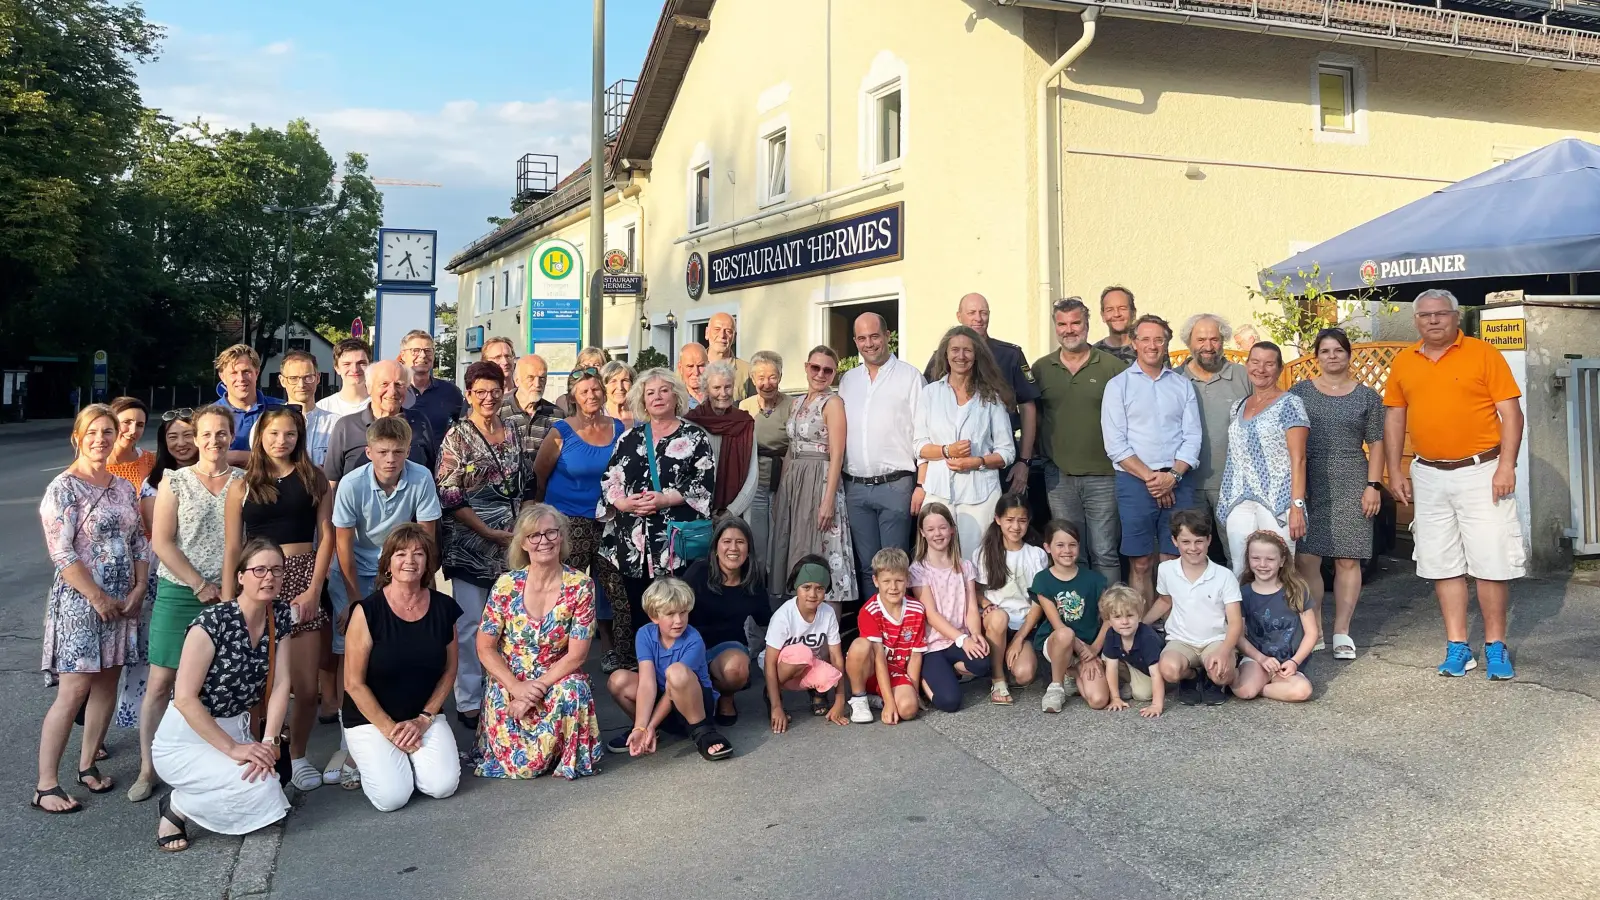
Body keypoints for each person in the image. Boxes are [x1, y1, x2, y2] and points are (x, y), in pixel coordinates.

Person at [1384, 288, 1525, 680]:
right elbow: (1395, 416)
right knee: (1442, 562)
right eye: (1425, 315)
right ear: (1416, 320)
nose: (1433, 320)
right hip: (1429, 473)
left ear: (1455, 316)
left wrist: (1507, 466)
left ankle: (1495, 645)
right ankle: (1458, 646)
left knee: (1491, 561)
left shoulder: (1483, 353)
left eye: (1441, 314)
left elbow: (1512, 414)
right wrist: (1395, 470)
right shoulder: (1404, 361)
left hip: (1483, 471)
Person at [33, 405, 150, 814]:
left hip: (123, 601)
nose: (100, 439)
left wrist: (139, 588)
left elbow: (139, 540)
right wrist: (98, 597)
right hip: (82, 603)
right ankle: (46, 785)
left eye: (107, 432)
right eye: (93, 432)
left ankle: (87, 765)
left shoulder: (122, 487)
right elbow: (61, 552)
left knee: (106, 684)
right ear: (78, 437)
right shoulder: (63, 488)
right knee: (75, 690)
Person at [151, 537, 291, 851]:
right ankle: (177, 806)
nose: (268, 577)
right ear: (240, 576)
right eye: (259, 570)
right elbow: (184, 698)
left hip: (236, 727)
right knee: (263, 789)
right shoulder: (212, 623)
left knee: (268, 780)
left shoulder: (278, 614)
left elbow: (282, 683)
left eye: (276, 570)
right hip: (186, 738)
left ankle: (190, 801)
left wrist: (269, 740)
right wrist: (233, 749)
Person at [222, 407, 334, 792]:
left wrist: (314, 589)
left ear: (299, 437)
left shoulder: (314, 478)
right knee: (259, 685)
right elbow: (232, 547)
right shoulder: (242, 485)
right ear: (260, 437)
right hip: (256, 582)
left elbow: (326, 536)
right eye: (273, 433)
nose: (280, 441)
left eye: (289, 434)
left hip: (301, 577)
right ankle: (262, 755)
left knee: (304, 686)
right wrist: (229, 601)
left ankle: (298, 755)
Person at [135, 405, 242, 803]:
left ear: (231, 436)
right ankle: (148, 766)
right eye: (206, 434)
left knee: (217, 681)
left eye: (221, 433)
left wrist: (229, 592)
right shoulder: (175, 481)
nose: (214, 441)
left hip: (229, 593)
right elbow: (162, 542)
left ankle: (209, 757)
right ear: (196, 439)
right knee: (161, 681)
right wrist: (198, 584)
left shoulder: (244, 482)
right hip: (181, 591)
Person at [328, 416, 442, 787]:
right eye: (382, 452)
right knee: (351, 656)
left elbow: (426, 540)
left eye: (397, 452)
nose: (390, 459)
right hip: (356, 573)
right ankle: (349, 743)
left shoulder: (421, 478)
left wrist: (423, 587)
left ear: (408, 451)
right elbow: (343, 545)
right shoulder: (351, 484)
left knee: (405, 645)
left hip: (402, 568)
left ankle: (409, 723)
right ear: (368, 452)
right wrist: (356, 602)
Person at [436, 361, 533, 730]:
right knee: (472, 625)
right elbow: (449, 494)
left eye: (495, 391)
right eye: (480, 392)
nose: (488, 398)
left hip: (512, 546)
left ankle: (506, 691)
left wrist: (522, 526)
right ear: (469, 395)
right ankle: (469, 699)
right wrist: (488, 532)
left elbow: (527, 482)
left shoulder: (513, 431)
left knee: (511, 624)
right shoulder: (456, 437)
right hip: (470, 546)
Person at [597, 368, 715, 669]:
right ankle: (646, 671)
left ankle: (680, 670)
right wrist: (623, 503)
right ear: (642, 400)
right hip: (634, 544)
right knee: (641, 609)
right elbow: (610, 479)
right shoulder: (629, 437)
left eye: (664, 391)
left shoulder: (694, 437)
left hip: (674, 543)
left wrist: (666, 499)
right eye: (650, 393)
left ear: (675, 396)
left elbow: (703, 483)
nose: (657, 397)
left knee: (678, 606)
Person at [474, 505, 602, 778]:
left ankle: (564, 755)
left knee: (573, 689)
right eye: (534, 535)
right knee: (523, 768)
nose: (544, 541)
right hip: (511, 679)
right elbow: (484, 647)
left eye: (551, 533)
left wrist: (535, 690)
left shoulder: (581, 585)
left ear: (561, 537)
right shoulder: (506, 585)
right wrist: (516, 687)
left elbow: (577, 656)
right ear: (522, 543)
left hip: (555, 676)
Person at [341, 525, 461, 810]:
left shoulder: (444, 608)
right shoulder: (366, 611)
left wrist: (424, 719)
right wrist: (391, 731)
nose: (410, 560)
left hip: (422, 715)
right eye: (401, 554)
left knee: (442, 786)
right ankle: (366, 756)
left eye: (419, 553)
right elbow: (353, 683)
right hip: (371, 719)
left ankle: (406, 761)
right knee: (392, 798)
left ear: (428, 563)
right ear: (387, 564)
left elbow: (450, 670)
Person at [1289, 328, 1386, 661]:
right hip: (1308, 479)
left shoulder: (1367, 397)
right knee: (1307, 558)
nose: (1332, 356)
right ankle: (1314, 628)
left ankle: (1342, 631)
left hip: (1352, 479)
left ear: (1348, 354)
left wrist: (1373, 486)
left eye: (1338, 350)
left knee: (1348, 558)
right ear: (1317, 356)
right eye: (1325, 351)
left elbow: (1377, 444)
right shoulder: (1299, 392)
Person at [532, 366, 629, 672]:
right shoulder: (561, 432)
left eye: (596, 389)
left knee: (615, 588)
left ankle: (618, 653)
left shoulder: (618, 428)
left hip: (609, 519)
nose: (591, 395)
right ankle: (556, 655)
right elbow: (539, 476)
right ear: (573, 396)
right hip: (568, 522)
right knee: (566, 588)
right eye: (584, 391)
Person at [1102, 314, 1202, 606]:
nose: (1152, 345)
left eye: (1159, 339)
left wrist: (1173, 476)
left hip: (1178, 480)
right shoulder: (1118, 386)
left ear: (1166, 343)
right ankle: (1142, 623)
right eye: (1145, 339)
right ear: (1134, 343)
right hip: (1135, 481)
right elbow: (1115, 444)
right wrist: (1153, 479)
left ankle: (1174, 624)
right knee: (1141, 561)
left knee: (1174, 558)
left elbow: (1193, 437)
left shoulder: (1182, 385)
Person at [1033, 297, 1127, 586]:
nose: (1069, 330)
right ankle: (1079, 610)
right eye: (1062, 324)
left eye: (1076, 323)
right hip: (1059, 477)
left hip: (1105, 475)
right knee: (1070, 553)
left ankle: (1110, 610)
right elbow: (1034, 417)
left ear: (1087, 324)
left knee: (1104, 552)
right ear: (1055, 327)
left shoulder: (1113, 367)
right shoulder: (1041, 368)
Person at [840, 313, 925, 597]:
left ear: (887, 336)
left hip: (895, 485)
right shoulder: (848, 381)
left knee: (894, 567)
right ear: (855, 341)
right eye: (862, 338)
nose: (869, 343)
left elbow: (923, 434)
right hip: (855, 487)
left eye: (874, 336)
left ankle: (898, 622)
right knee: (867, 567)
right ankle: (872, 623)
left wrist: (921, 484)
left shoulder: (910, 377)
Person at [916, 325, 1016, 554]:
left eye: (967, 350)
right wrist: (947, 451)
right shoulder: (930, 393)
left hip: (980, 494)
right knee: (939, 561)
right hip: (939, 491)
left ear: (977, 354)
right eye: (955, 350)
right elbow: (919, 446)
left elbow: (1007, 451)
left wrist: (978, 461)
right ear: (945, 354)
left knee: (977, 560)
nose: (961, 356)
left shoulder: (991, 397)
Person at [609, 576, 733, 760]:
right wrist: (641, 727)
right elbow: (646, 683)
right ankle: (646, 733)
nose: (679, 620)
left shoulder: (693, 639)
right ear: (654, 616)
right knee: (618, 680)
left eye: (683, 612)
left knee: (676, 672)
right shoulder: (644, 634)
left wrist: (651, 724)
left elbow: (671, 690)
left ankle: (703, 732)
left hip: (695, 705)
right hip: (666, 705)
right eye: (670, 614)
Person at [771, 346, 857, 608]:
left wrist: (828, 500)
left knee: (823, 546)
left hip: (820, 480)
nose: (820, 374)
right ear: (806, 367)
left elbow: (837, 454)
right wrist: (782, 492)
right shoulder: (796, 403)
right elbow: (790, 449)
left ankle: (828, 626)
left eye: (827, 370)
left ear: (834, 374)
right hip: (794, 481)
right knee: (795, 545)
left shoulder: (833, 403)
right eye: (815, 367)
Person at [1217, 341, 1309, 574]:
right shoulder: (1238, 406)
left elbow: (1299, 459)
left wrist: (1297, 506)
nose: (1261, 369)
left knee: (1278, 569)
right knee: (1240, 567)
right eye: (1255, 362)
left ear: (1279, 369)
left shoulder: (1290, 404)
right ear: (1247, 365)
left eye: (1269, 364)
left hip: (1277, 500)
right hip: (1239, 498)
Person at [682, 518, 772, 725]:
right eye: (727, 541)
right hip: (691, 644)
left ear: (748, 549)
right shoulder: (699, 572)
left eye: (740, 542)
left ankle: (726, 697)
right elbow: (675, 606)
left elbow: (767, 621)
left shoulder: (754, 579)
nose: (733, 548)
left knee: (737, 669)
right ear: (716, 548)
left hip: (729, 647)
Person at [1147, 509, 1242, 706]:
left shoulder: (1224, 575)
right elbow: (1164, 601)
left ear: (1209, 540)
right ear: (1175, 541)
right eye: (1186, 542)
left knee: (1222, 674)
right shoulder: (1166, 569)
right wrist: (1141, 623)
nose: (1193, 548)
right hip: (1181, 640)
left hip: (1215, 640)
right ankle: (1191, 676)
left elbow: (1234, 622)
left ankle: (1214, 679)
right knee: (1168, 670)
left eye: (1199, 541)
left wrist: (1224, 651)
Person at [912, 502, 1001, 712]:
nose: (937, 534)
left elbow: (971, 607)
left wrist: (975, 634)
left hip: (958, 640)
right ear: (922, 533)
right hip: (933, 645)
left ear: (952, 529)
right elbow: (931, 615)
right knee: (949, 702)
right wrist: (963, 640)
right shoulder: (918, 570)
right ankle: (926, 680)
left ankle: (952, 670)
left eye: (942, 527)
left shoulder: (965, 566)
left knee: (983, 663)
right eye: (931, 529)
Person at [952, 293, 1041, 496]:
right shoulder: (946, 357)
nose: (978, 318)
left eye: (983, 313)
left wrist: (1024, 461)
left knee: (1010, 515)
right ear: (959, 316)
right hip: (959, 460)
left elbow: (1028, 407)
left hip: (1004, 458)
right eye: (971, 313)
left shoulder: (1009, 355)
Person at [1179, 314, 1253, 555]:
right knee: (1192, 552)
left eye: (1214, 339)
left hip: (1234, 485)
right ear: (1189, 342)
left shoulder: (1244, 376)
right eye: (1201, 340)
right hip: (1187, 484)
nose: (1208, 346)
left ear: (1223, 341)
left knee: (1238, 553)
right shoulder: (1175, 379)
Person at [106, 398, 158, 735]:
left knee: (139, 644)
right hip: (110, 562)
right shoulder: (99, 461)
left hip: (146, 558)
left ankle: (139, 718)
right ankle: (91, 729)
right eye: (126, 422)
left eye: (139, 424)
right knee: (104, 655)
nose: (132, 430)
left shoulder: (149, 461)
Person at [972, 493, 1048, 703]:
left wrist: (1018, 639)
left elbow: (1038, 601)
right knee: (1000, 617)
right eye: (1010, 520)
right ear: (998, 519)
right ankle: (998, 679)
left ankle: (1003, 663)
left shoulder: (1036, 555)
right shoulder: (984, 553)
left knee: (1024, 675)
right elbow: (975, 591)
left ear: (1028, 521)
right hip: (994, 623)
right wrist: (986, 603)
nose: (1016, 526)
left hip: (1023, 625)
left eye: (1022, 521)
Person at [1028, 520, 1111, 712]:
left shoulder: (1094, 579)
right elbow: (1058, 625)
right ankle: (1056, 687)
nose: (1067, 550)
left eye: (1072, 544)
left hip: (1088, 646)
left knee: (1098, 701)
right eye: (1060, 545)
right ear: (1047, 547)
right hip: (1057, 643)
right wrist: (1085, 654)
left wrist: (1095, 648)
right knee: (1065, 634)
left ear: (1079, 546)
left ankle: (1072, 672)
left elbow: (1109, 618)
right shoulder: (1042, 579)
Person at [762, 557, 848, 730]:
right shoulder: (783, 616)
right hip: (780, 667)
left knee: (830, 674)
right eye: (806, 587)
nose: (812, 594)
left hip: (808, 663)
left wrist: (840, 700)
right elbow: (769, 661)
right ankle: (772, 695)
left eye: (819, 588)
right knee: (802, 653)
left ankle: (817, 693)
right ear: (796, 586)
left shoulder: (828, 612)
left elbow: (836, 656)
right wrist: (776, 707)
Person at [1232, 530, 1317, 703]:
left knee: (1303, 691)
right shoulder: (1242, 594)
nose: (1262, 564)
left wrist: (1295, 662)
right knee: (1245, 691)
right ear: (1248, 559)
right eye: (1256, 558)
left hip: (1288, 661)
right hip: (1257, 659)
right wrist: (1261, 658)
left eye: (1270, 559)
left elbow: (1312, 633)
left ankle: (1262, 688)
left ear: (1282, 561)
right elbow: (1238, 637)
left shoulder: (1297, 590)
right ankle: (1257, 683)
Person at [845, 547, 925, 725]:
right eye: (886, 581)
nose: (893, 587)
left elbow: (915, 656)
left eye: (899, 581)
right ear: (876, 581)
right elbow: (879, 658)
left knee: (909, 710)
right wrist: (890, 703)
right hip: (872, 671)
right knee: (860, 645)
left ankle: (877, 700)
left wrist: (914, 691)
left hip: (896, 672)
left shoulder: (917, 610)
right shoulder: (869, 611)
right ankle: (859, 697)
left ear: (907, 580)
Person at [323, 359, 436, 483]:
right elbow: (332, 481)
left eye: (399, 384)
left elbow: (432, 472)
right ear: (369, 388)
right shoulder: (346, 427)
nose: (392, 391)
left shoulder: (420, 422)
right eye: (384, 384)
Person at [737, 350, 791, 572]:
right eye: (761, 378)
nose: (767, 383)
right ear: (752, 379)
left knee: (780, 541)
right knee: (756, 540)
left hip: (784, 482)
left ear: (780, 377)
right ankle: (756, 584)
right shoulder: (744, 407)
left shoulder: (793, 405)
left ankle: (778, 587)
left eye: (772, 377)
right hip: (755, 483)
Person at [686, 360, 758, 519]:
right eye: (716, 388)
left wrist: (731, 511)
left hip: (735, 515)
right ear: (706, 390)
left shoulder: (744, 423)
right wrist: (703, 510)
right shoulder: (690, 423)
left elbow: (752, 475)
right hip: (697, 515)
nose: (723, 393)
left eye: (728, 387)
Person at [1099, 584, 1166, 717]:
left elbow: (1156, 674)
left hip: (1149, 669)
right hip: (1129, 660)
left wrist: (1156, 705)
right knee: (1106, 659)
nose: (1124, 621)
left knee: (1142, 694)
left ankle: (1131, 683)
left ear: (1139, 616)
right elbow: (1112, 668)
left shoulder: (1147, 638)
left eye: (1129, 615)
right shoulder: (1111, 633)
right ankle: (1125, 683)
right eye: (1117, 617)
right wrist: (1115, 698)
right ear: (1109, 620)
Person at [213, 344, 284, 464]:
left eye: (246, 371)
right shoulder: (210, 415)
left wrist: (237, 456)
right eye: (233, 373)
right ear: (222, 377)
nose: (241, 378)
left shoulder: (281, 409)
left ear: (257, 373)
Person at [398, 329, 463, 453]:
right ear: (403, 355)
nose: (423, 355)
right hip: (400, 462)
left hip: (439, 462)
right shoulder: (395, 391)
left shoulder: (450, 391)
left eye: (428, 350)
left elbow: (465, 426)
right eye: (415, 350)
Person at [501, 354, 563, 473]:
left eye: (542, 378)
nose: (537, 384)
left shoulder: (557, 416)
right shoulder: (499, 411)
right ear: (517, 381)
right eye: (531, 378)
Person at [275, 350, 338, 468]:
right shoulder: (267, 423)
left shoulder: (336, 425)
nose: (301, 385)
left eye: (308, 377)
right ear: (282, 381)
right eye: (293, 378)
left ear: (318, 378)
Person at [317, 338, 373, 419]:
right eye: (347, 364)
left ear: (370, 365)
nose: (355, 369)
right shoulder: (322, 408)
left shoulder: (380, 405)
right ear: (337, 368)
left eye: (361, 363)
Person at [704, 312, 753, 400]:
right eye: (717, 329)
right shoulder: (690, 369)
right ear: (707, 333)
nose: (722, 335)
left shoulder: (747, 372)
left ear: (734, 338)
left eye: (728, 331)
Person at [556, 347, 611, 415]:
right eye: (586, 365)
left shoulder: (611, 396)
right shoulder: (563, 402)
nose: (591, 368)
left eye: (596, 365)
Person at [1094, 286, 1138, 365]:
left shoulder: (1147, 349)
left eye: (1122, 308)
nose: (1117, 314)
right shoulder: (1094, 354)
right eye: (1110, 310)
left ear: (1133, 313)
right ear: (1103, 316)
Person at [601, 361, 636, 428]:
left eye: (625, 380)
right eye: (613, 381)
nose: (620, 387)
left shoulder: (641, 416)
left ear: (632, 384)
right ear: (603, 386)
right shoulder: (596, 416)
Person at [676, 341, 709, 408]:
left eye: (700, 365)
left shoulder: (719, 396)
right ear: (680, 368)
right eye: (690, 366)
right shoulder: (674, 401)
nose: (696, 372)